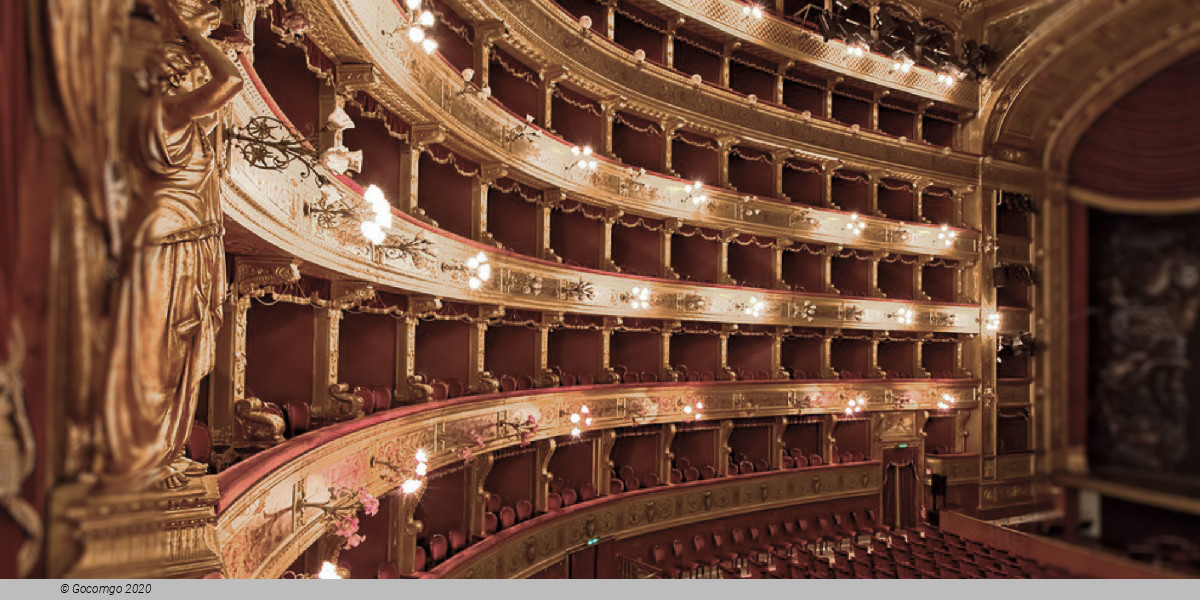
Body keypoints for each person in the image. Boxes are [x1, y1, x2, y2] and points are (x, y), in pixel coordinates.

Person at [103, 0, 244, 489]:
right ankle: (141, 460)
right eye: (188, 73)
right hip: (164, 250)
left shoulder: (187, 124)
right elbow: (231, 82)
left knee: (180, 357)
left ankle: (161, 452)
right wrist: (192, 32)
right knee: (158, 359)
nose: (195, 80)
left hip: (191, 244)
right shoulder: (162, 111)